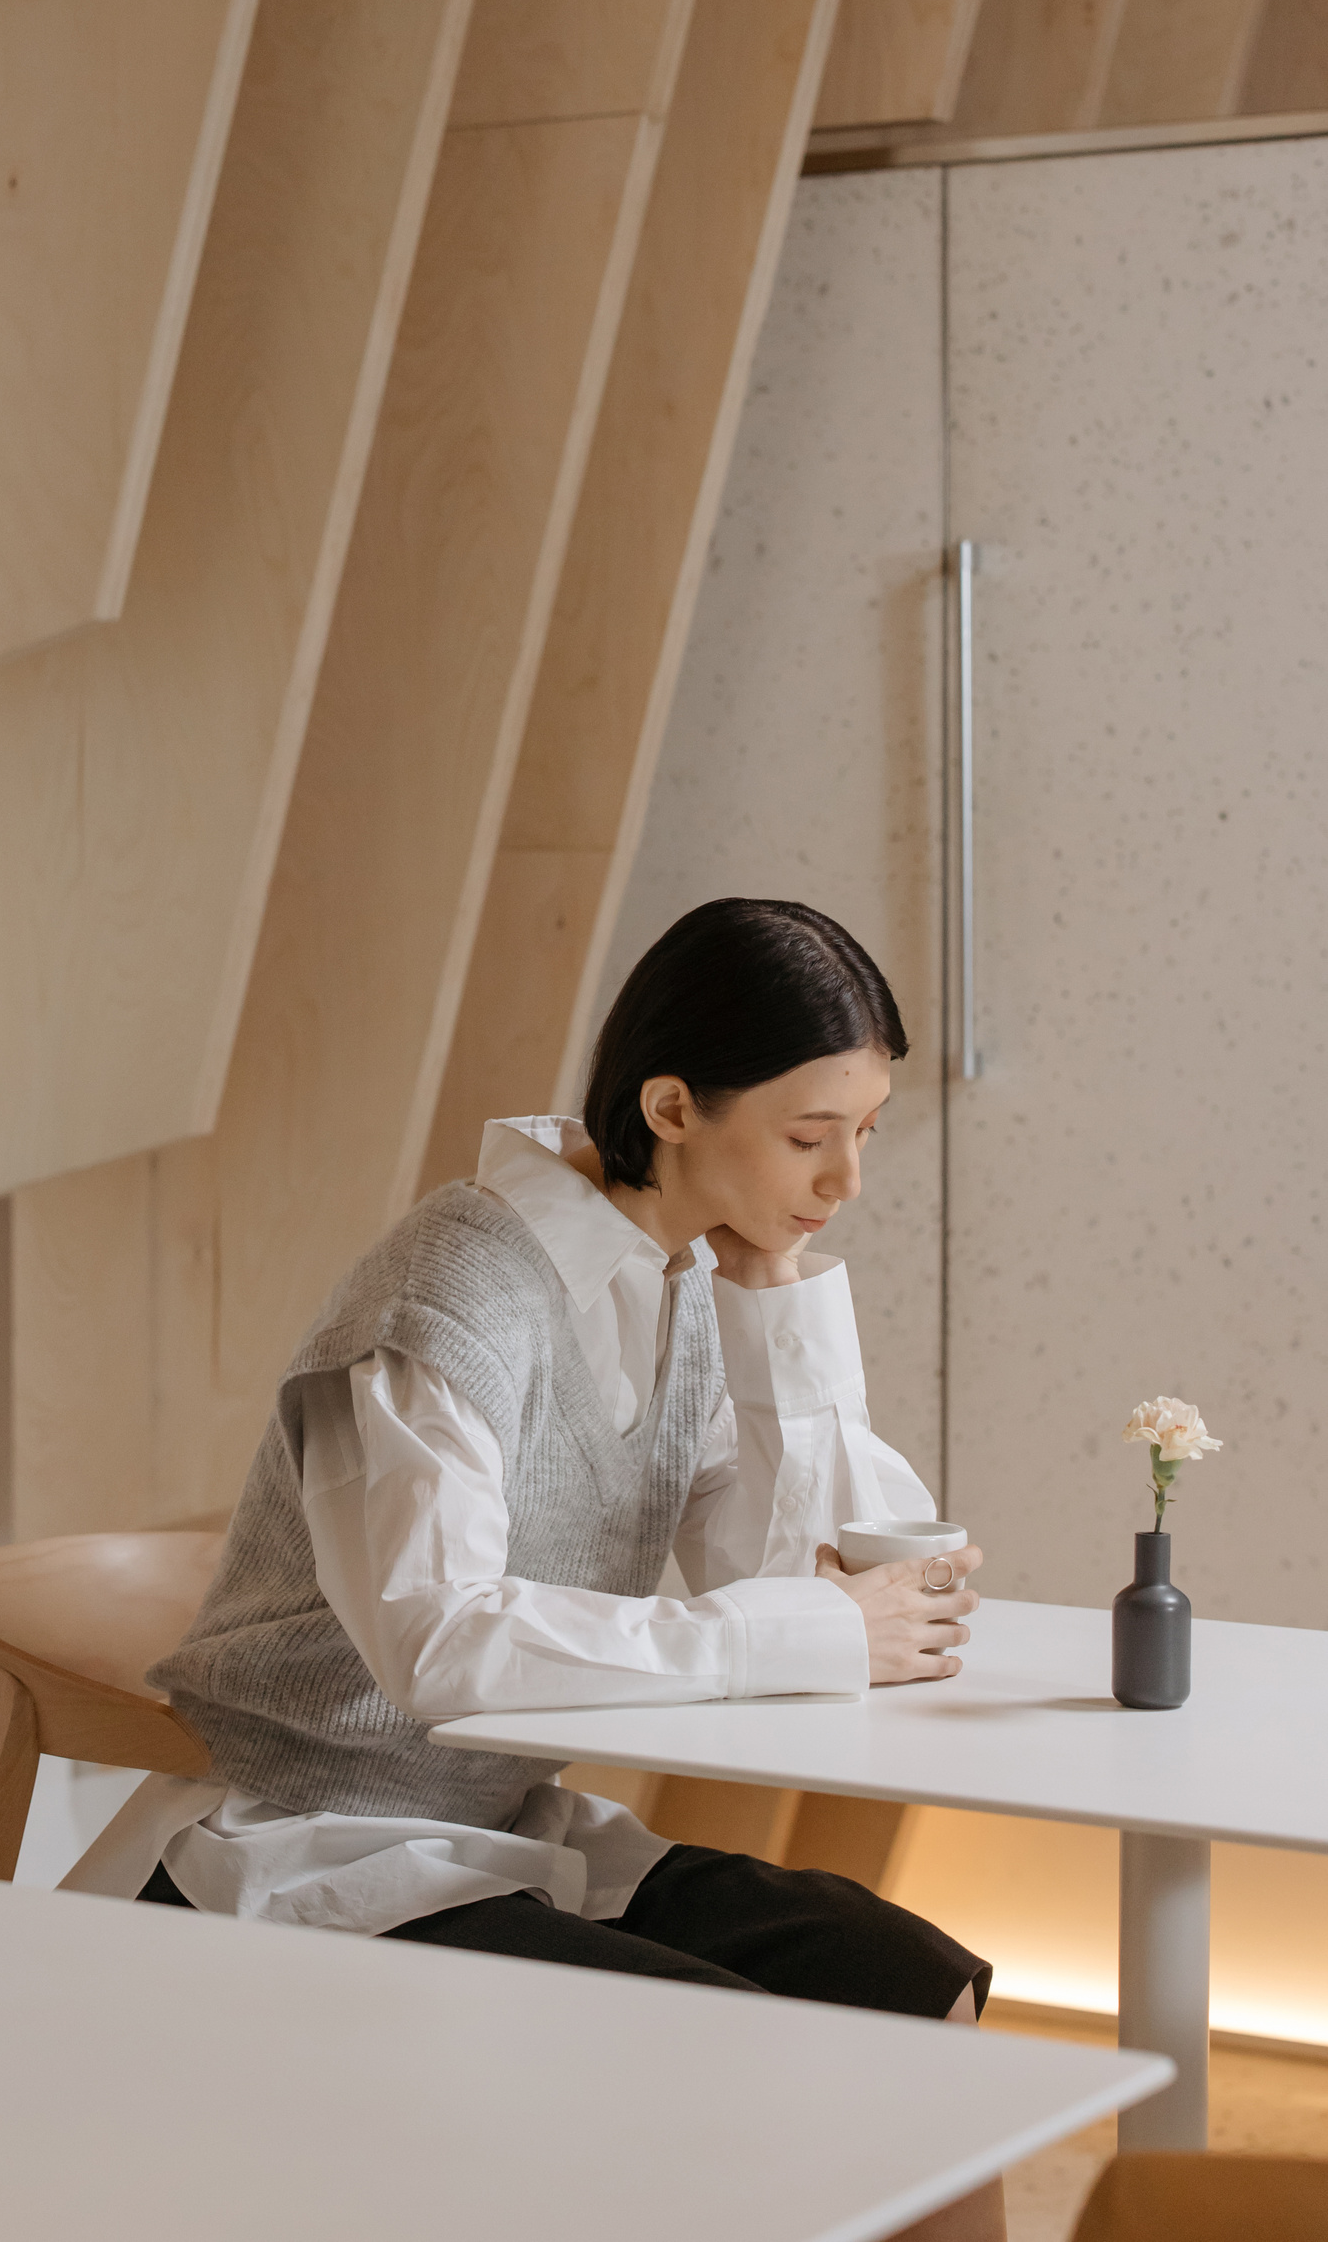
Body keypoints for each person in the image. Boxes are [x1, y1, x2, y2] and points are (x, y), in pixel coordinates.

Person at [69, 899, 1003, 2242]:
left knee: (909, 1985)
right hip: (311, 1840)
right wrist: (797, 1626)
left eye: (861, 1132)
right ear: (672, 1103)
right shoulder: (443, 1300)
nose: (846, 1177)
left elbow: (778, 1559)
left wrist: (775, 1293)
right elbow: (438, 1645)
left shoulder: (681, 1279)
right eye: (811, 1136)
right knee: (735, 2055)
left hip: (507, 1830)